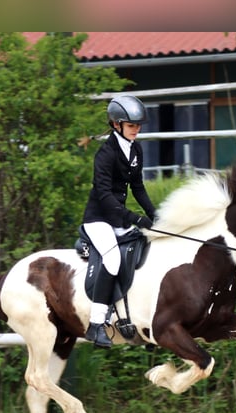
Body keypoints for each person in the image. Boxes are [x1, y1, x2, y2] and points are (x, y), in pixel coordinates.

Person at [81, 94, 157, 348]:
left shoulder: (135, 149)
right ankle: (96, 324)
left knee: (145, 249)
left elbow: (137, 186)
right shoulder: (105, 154)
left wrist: (154, 215)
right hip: (98, 219)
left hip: (117, 218)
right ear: (117, 125)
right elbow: (103, 196)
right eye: (132, 125)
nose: (137, 130)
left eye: (138, 126)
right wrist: (134, 217)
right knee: (112, 259)